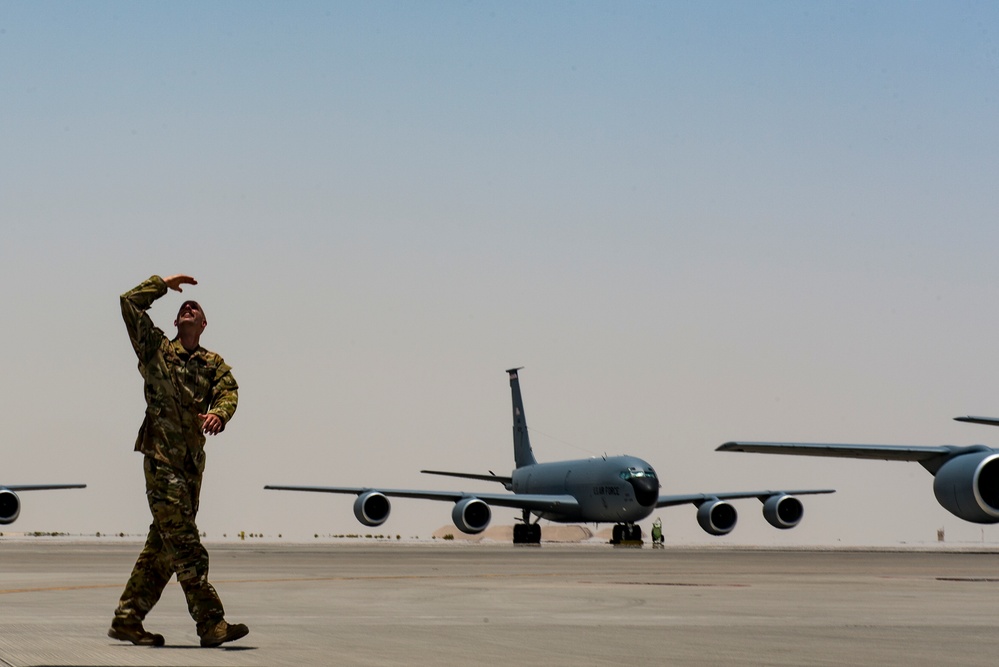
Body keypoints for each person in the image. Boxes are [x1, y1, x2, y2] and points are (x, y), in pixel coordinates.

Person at [108, 274, 248, 648]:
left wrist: (220, 412)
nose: (188, 307)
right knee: (186, 545)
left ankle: (127, 618)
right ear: (175, 323)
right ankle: (211, 623)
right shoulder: (156, 350)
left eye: (195, 308)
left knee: (163, 550)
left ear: (203, 324)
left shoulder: (212, 363)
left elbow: (229, 391)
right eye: (183, 307)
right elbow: (129, 303)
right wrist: (162, 284)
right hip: (161, 462)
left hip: (190, 470)